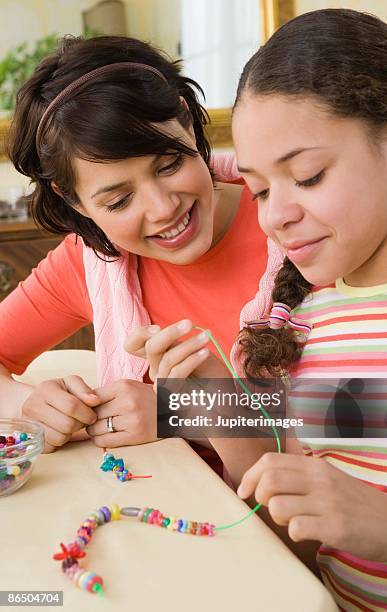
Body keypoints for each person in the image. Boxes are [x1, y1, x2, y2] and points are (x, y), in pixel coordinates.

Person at [128, 9, 387, 609]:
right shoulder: (307, 320)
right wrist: (220, 407)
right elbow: (305, 547)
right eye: (258, 188)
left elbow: (370, 526)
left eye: (306, 176)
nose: (274, 216)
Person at [0, 35, 283, 456]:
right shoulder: (93, 262)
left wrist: (176, 413)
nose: (163, 208)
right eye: (119, 200)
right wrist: (30, 406)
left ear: (186, 121)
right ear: (71, 198)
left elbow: (382, 410)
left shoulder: (296, 224)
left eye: (169, 164)